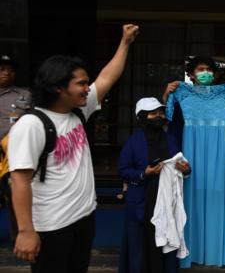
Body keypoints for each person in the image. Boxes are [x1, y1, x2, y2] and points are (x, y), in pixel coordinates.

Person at [7, 24, 139, 273]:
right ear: (59, 87)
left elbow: (108, 77)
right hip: (51, 226)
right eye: (81, 83)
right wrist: (26, 231)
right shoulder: (32, 125)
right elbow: (19, 181)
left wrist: (125, 42)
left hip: (83, 218)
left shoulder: (76, 111)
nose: (87, 88)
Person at [164, 56, 225, 268]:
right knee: (189, 196)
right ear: (191, 74)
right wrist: (166, 94)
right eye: (200, 69)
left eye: (209, 69)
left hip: (219, 148)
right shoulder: (181, 91)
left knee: (216, 195)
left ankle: (215, 253)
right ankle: (188, 252)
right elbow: (168, 118)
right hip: (190, 145)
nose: (205, 72)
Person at [118, 97, 190, 273]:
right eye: (153, 113)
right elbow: (124, 170)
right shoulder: (133, 142)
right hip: (142, 201)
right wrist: (145, 173)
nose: (159, 116)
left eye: (160, 112)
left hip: (166, 201)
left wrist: (186, 169)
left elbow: (181, 166)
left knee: (166, 243)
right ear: (142, 117)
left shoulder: (171, 139)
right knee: (138, 247)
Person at [0, 55, 32, 239]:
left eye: (10, 70)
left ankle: (18, 235)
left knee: (15, 195)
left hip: (13, 155)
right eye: (2, 69)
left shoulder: (24, 95)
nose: (6, 73)